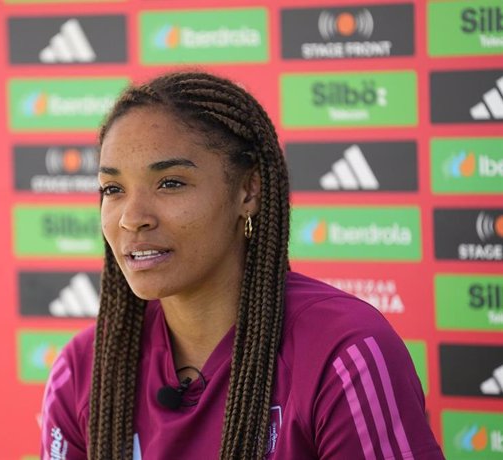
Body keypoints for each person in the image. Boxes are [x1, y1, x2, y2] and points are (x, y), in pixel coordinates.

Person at [40, 71, 444, 460]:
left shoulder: (343, 350)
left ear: (248, 191)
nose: (132, 217)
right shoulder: (83, 368)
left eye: (171, 183)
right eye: (113, 189)